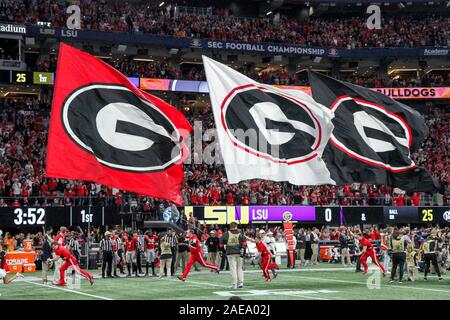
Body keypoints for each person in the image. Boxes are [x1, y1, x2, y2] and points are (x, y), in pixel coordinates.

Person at [221, 222, 246, 289]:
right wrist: (243, 251)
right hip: (239, 253)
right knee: (239, 269)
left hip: (230, 253)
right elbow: (244, 244)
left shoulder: (226, 234)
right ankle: (240, 283)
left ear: (230, 227)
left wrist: (223, 251)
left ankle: (234, 284)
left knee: (233, 269)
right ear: (236, 226)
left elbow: (221, 244)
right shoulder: (240, 234)